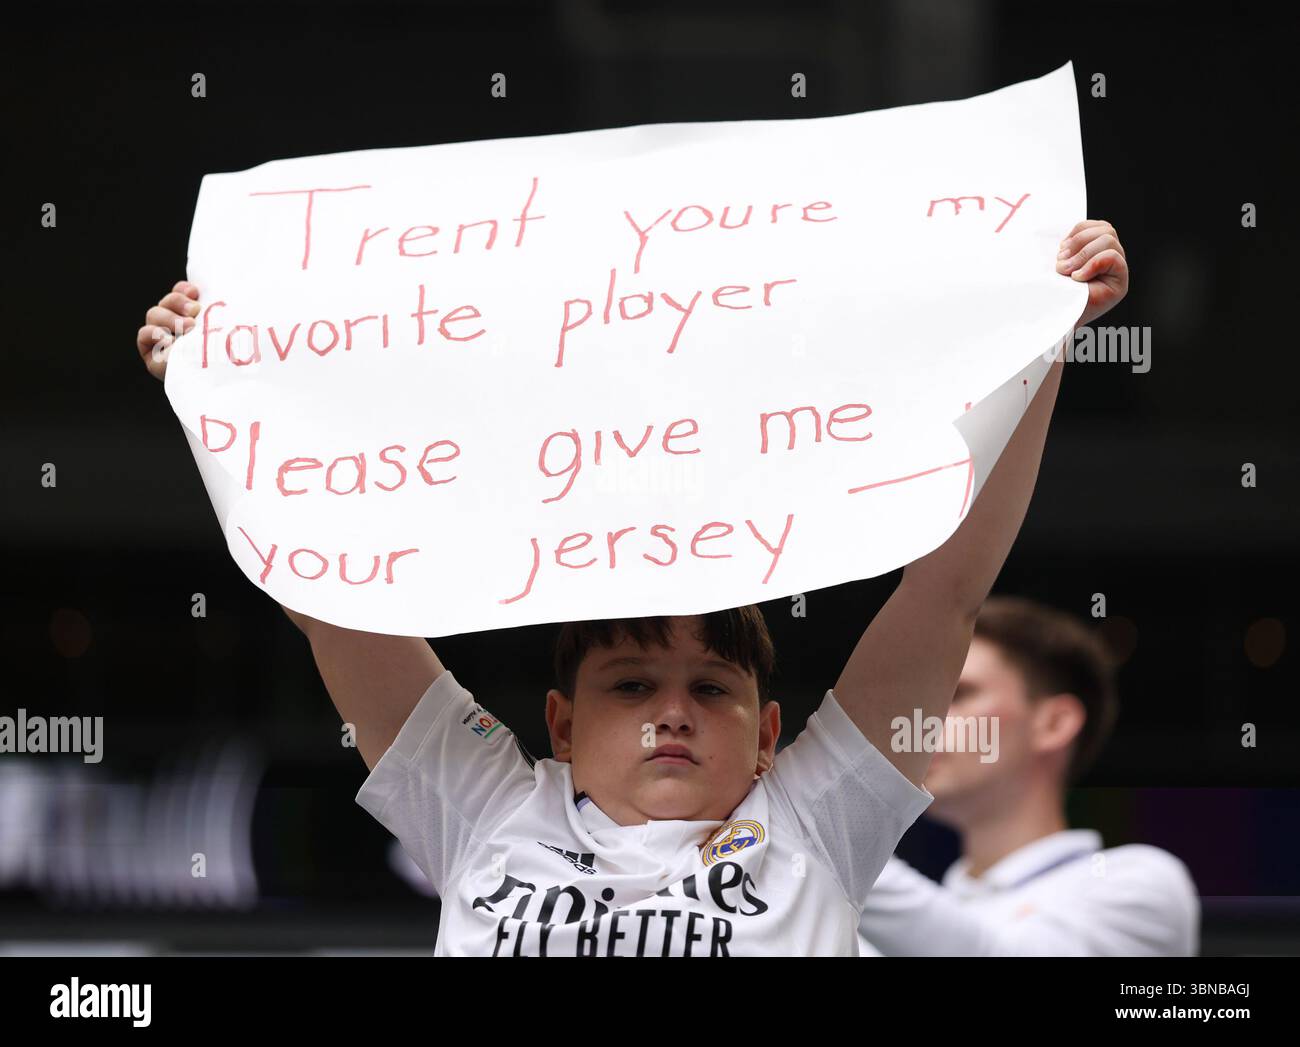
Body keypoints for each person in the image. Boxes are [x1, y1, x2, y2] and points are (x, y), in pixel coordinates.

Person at [136, 221, 1129, 955]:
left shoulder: (820, 823)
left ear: (770, 734)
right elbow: (329, 601)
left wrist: (1046, 337)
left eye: (710, 688)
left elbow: (945, 586)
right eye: (629, 686)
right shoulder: (485, 814)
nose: (670, 714)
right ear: (560, 727)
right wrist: (208, 392)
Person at [857, 595, 1200, 956]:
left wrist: (839, 841)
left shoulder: (1138, 882)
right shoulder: (896, 920)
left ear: (1054, 723)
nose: (920, 723)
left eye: (959, 695)